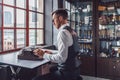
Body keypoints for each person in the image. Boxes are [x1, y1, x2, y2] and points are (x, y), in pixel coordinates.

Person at [32, 9, 82, 80]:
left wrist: (43, 55)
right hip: (75, 70)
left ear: (60, 18)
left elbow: (62, 58)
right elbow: (69, 51)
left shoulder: (63, 33)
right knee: (52, 69)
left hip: (66, 73)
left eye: (53, 20)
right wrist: (51, 53)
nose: (53, 23)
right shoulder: (71, 31)